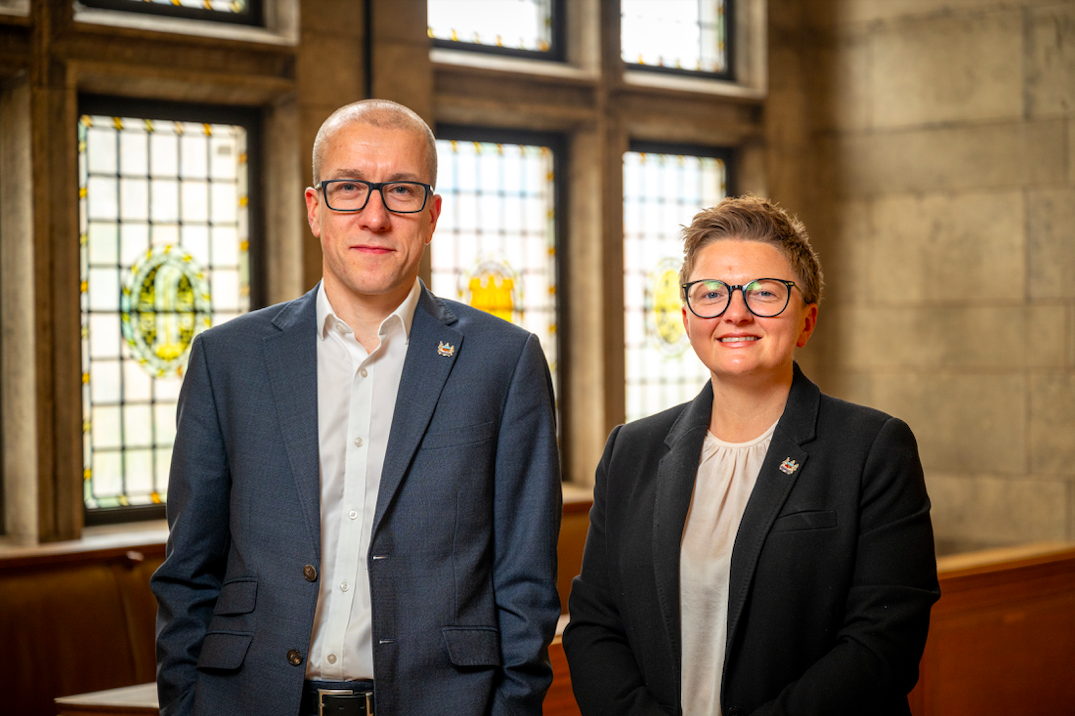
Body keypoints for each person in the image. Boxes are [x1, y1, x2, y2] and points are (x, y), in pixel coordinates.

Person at [151, 99, 562, 716]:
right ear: (315, 209)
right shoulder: (227, 359)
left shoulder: (505, 363)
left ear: (431, 215)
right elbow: (188, 574)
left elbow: (525, 583)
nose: (374, 216)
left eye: (401, 191)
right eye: (349, 188)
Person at [563, 196, 939, 716]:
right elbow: (594, 626)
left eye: (764, 293)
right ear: (688, 315)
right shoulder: (632, 450)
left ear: (806, 320)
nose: (735, 312)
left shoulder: (872, 449)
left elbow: (881, 646)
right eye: (712, 293)